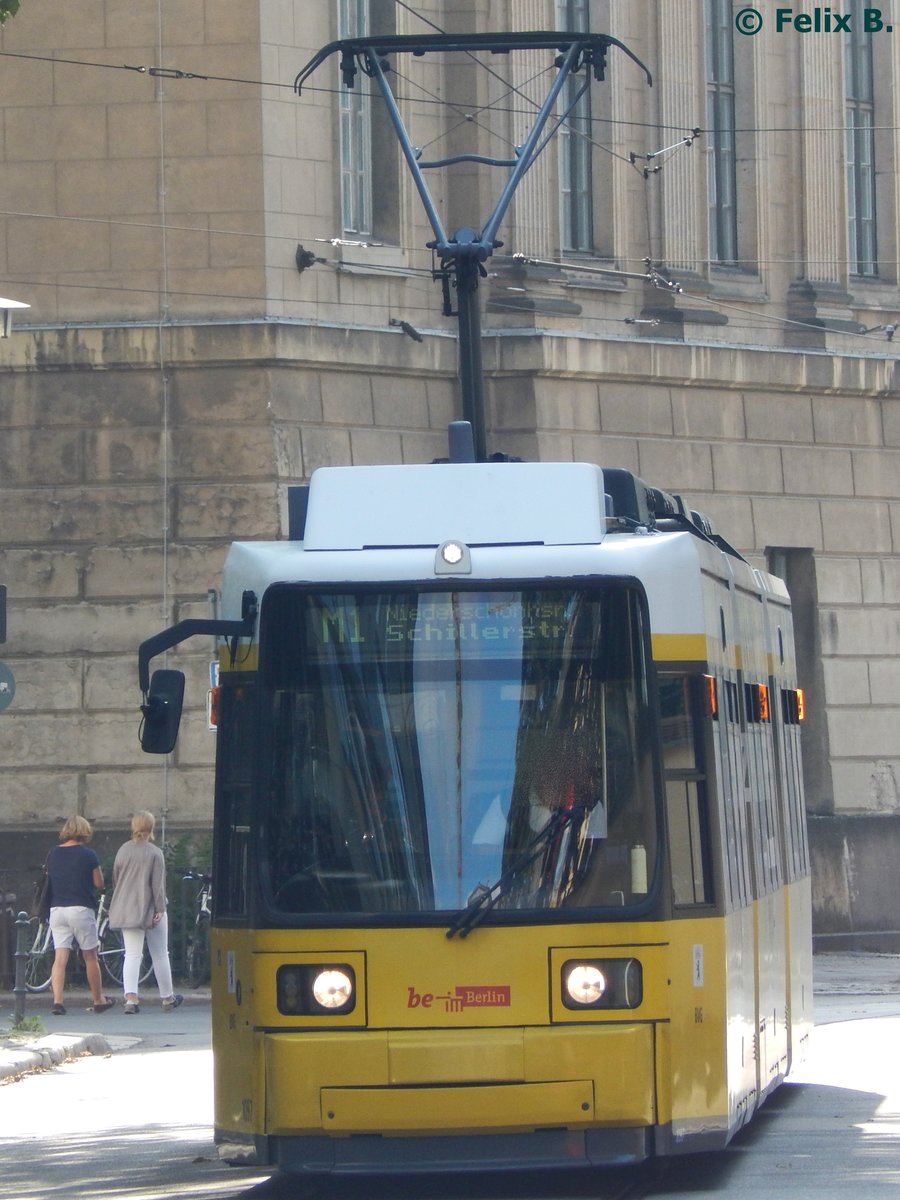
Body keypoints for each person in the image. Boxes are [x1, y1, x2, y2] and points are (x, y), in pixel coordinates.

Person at [108, 811, 183, 1013]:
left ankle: (131, 999)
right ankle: (167, 997)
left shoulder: (123, 850)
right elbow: (157, 885)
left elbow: (116, 879)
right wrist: (160, 908)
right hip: (150, 908)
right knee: (160, 954)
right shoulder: (154, 853)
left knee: (132, 954)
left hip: (127, 908)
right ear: (152, 828)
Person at [46, 814, 116, 1015]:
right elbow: (99, 883)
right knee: (90, 956)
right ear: (84, 831)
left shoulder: (53, 853)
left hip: (57, 909)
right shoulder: (88, 855)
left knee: (60, 957)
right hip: (81, 908)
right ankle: (98, 999)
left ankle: (58, 1001)